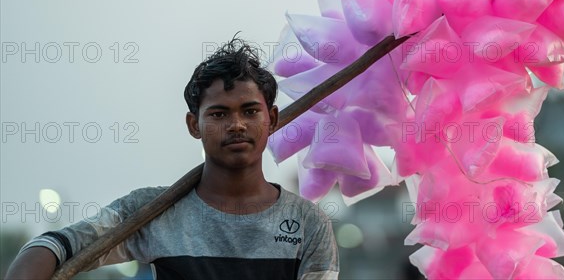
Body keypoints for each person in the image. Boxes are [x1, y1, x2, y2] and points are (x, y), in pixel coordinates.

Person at [6, 38, 339, 279]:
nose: (237, 124)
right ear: (194, 125)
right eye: (219, 114)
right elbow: (56, 244)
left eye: (251, 111)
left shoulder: (308, 223)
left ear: (273, 119)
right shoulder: (150, 211)